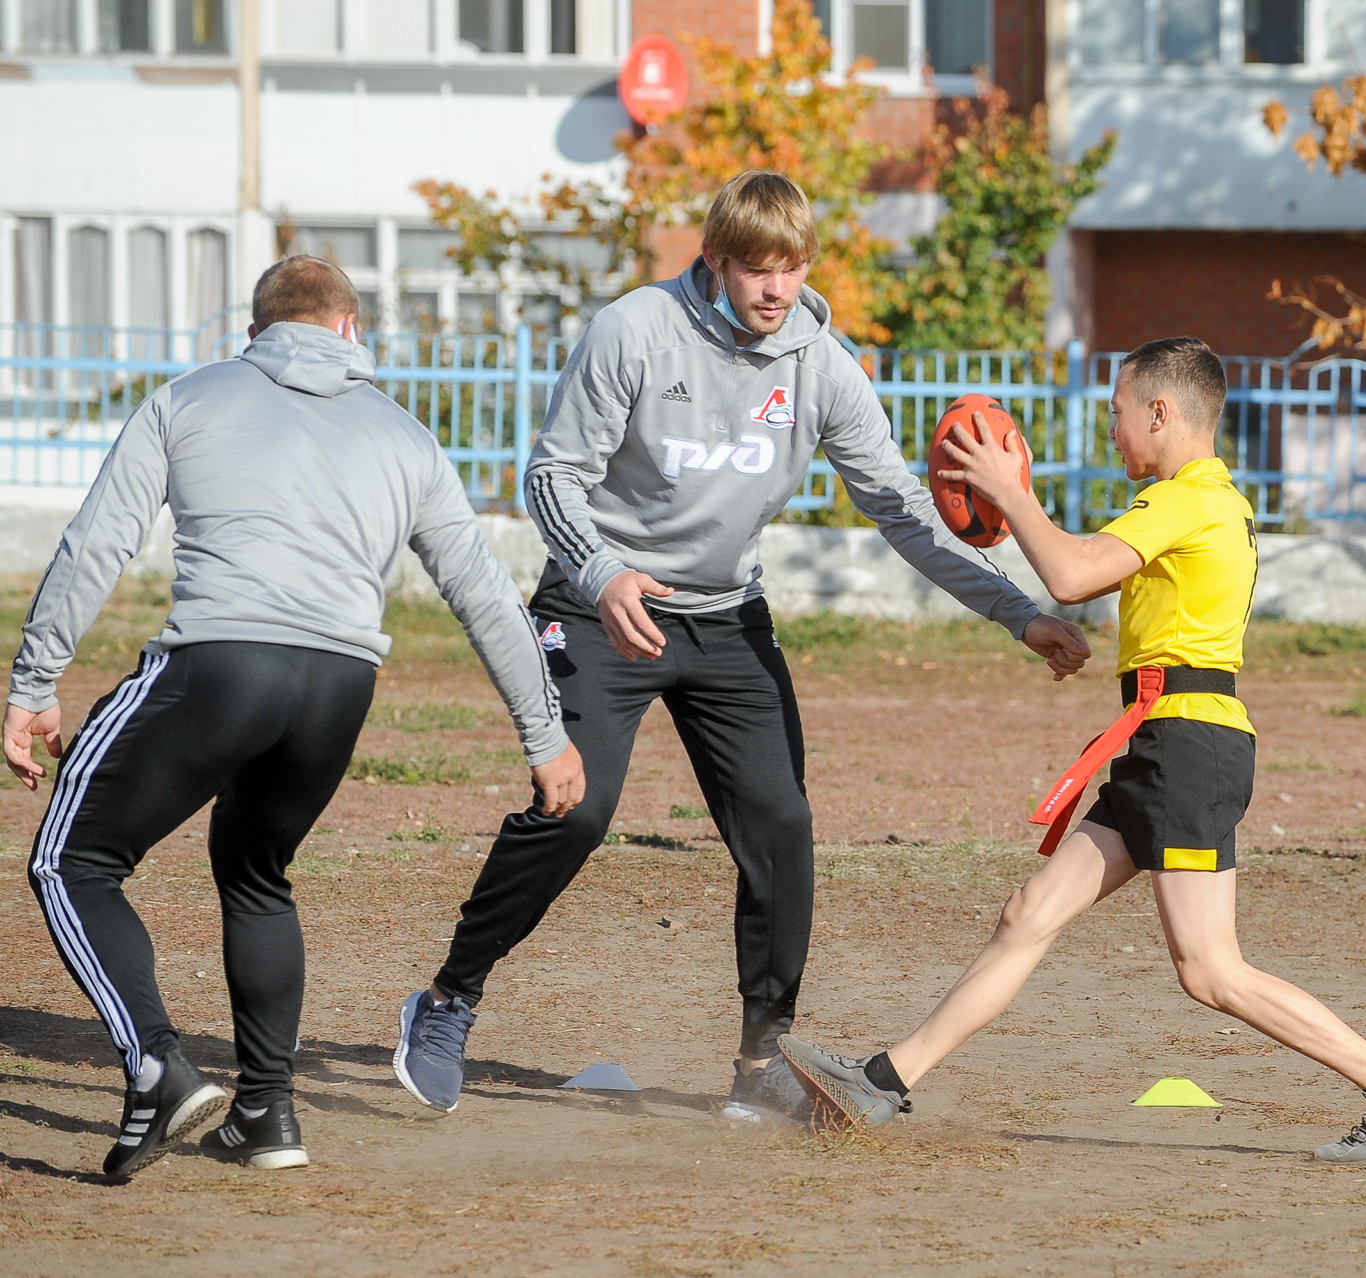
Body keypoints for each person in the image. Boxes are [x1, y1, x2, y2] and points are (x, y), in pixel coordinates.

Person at [391, 170, 1091, 1124]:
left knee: (781, 827)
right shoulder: (634, 330)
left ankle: (760, 1060)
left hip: (725, 616)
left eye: (792, 269)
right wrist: (602, 573)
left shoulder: (821, 365)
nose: (775, 290)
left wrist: (1020, 612)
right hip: (603, 605)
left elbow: (901, 509)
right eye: (756, 270)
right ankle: (447, 1000)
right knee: (577, 812)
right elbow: (552, 478)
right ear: (716, 260)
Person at [777, 336, 1366, 1166]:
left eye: (1118, 413)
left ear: (1161, 412)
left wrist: (1010, 492)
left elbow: (1069, 571)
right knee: (1029, 913)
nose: (1112, 430)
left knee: (1210, 971)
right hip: (1160, 742)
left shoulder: (1191, 498)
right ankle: (881, 1084)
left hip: (1189, 749)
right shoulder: (1199, 501)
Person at [5, 256, 585, 1180]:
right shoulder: (405, 434)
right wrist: (546, 735)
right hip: (339, 689)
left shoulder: (190, 396)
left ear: (256, 333)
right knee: (255, 871)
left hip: (221, 666)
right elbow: (482, 594)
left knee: (70, 862)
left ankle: (155, 1064)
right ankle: (266, 1115)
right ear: (351, 331)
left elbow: (98, 539)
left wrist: (34, 683)